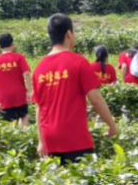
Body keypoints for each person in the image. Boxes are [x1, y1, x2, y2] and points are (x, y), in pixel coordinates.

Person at [33, 14, 119, 164]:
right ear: (68, 34)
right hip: (75, 139)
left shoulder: (39, 68)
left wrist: (41, 140)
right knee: (81, 183)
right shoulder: (78, 63)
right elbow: (96, 100)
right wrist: (112, 125)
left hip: (50, 140)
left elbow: (39, 108)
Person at [0, 33, 32, 126]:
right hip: (19, 95)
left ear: (0, 46)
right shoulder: (19, 58)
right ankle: (22, 134)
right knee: (24, 115)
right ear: (12, 44)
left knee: (5, 124)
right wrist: (29, 91)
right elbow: (27, 74)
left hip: (3, 98)